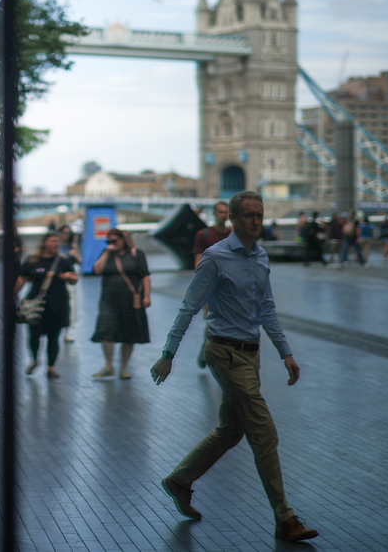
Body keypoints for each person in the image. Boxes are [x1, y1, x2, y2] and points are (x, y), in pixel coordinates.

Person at [150, 190, 318, 543]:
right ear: (233, 220)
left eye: (260, 215)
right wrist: (168, 354)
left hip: (250, 354)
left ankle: (179, 481)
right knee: (264, 433)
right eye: (248, 216)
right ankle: (285, 519)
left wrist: (285, 352)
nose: (256, 221)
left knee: (230, 430)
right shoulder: (215, 257)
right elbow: (188, 307)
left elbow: (266, 309)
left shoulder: (260, 257)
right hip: (224, 354)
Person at [14, 232, 78, 379]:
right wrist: (12, 295)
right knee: (34, 335)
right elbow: (21, 278)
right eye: (52, 241)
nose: (56, 244)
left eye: (57, 241)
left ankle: (50, 367)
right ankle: (35, 360)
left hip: (58, 304)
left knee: (54, 337)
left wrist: (70, 278)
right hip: (36, 303)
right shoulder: (33, 260)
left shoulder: (63, 261)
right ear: (44, 243)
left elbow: (74, 279)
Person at [90, 228, 150, 379]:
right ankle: (108, 365)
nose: (112, 244)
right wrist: (106, 251)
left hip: (131, 299)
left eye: (115, 241)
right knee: (105, 330)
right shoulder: (108, 254)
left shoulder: (136, 254)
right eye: (109, 241)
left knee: (129, 333)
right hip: (109, 299)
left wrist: (147, 296)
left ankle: (124, 367)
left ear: (124, 239)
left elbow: (145, 276)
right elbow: (97, 270)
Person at [192, 201, 230, 369]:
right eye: (220, 212)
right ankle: (206, 347)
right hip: (212, 287)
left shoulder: (234, 236)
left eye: (226, 212)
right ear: (215, 213)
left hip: (230, 287)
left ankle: (224, 355)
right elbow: (198, 261)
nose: (223, 215)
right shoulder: (204, 234)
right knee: (213, 322)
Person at [57, 225, 82, 344]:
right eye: (64, 233)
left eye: (68, 233)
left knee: (71, 304)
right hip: (57, 277)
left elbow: (80, 261)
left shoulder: (72, 246)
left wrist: (75, 254)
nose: (66, 235)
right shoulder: (55, 246)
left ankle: (67, 331)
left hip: (70, 278)